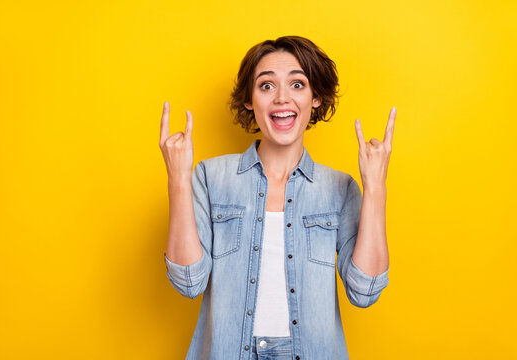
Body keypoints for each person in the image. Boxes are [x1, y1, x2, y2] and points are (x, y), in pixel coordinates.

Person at [159, 35, 395, 360]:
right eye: (267, 86)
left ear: (315, 98)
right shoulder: (210, 177)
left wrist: (376, 186)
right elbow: (188, 282)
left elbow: (365, 291)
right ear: (249, 100)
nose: (282, 98)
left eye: (297, 84)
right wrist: (177, 178)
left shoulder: (340, 188)